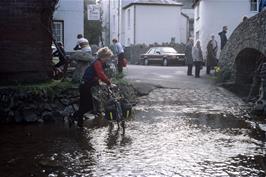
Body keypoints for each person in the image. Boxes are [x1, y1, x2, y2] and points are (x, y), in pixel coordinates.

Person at [71, 47, 113, 127]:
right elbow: (100, 74)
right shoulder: (97, 63)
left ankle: (79, 126)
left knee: (83, 106)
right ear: (103, 56)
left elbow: (96, 76)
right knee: (88, 106)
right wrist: (108, 82)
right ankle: (74, 116)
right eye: (108, 57)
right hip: (85, 86)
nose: (109, 59)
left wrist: (102, 82)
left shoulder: (100, 63)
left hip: (85, 85)